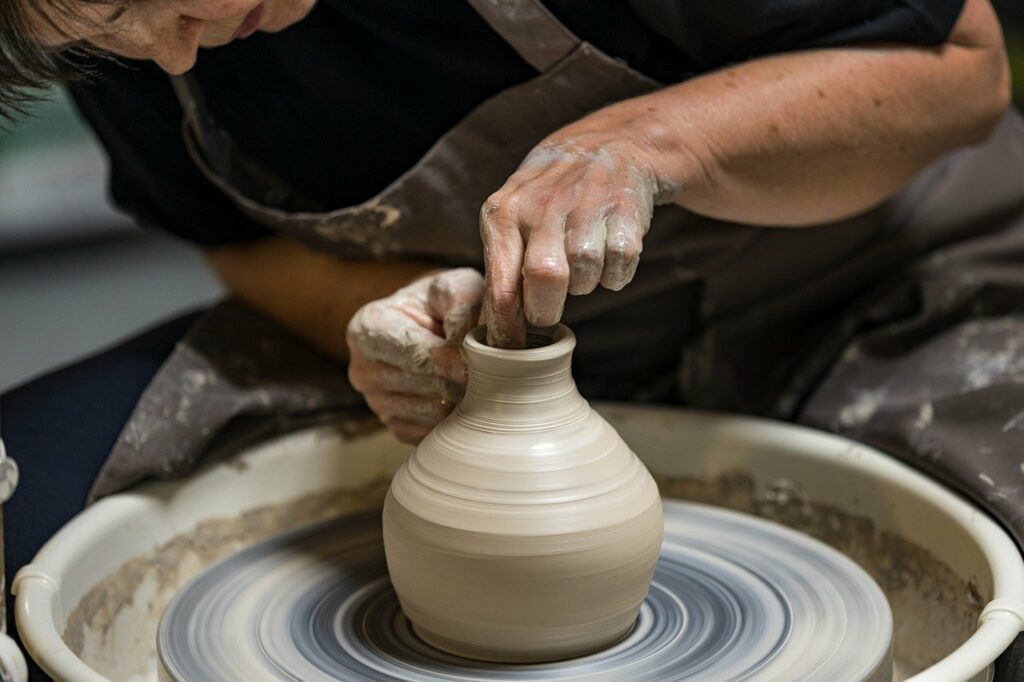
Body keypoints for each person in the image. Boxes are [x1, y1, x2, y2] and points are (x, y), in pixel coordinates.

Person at [2, 0, 1023, 677]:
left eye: (142, 0)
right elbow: (234, 243)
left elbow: (959, 67)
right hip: (465, 361)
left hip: (872, 288)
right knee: (23, 522)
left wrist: (643, 142)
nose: (164, 48)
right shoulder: (138, 35)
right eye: (110, 27)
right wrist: (382, 311)